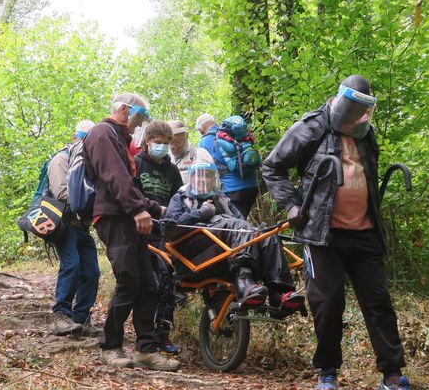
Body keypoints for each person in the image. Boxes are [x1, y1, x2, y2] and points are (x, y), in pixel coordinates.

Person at [262, 75, 424, 390]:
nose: (358, 117)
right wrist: (292, 204)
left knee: (378, 302)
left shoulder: (366, 133)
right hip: (323, 234)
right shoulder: (310, 127)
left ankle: (392, 379)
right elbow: (272, 167)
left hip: (364, 231)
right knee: (329, 301)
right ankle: (327, 370)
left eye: (364, 111)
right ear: (341, 102)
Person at [83, 93, 180, 371]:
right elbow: (114, 176)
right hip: (115, 217)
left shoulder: (120, 139)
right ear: (125, 110)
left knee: (148, 284)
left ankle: (146, 350)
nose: (140, 125)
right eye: (139, 118)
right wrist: (138, 210)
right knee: (129, 279)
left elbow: (131, 184)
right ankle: (110, 345)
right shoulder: (103, 133)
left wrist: (155, 208)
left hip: (128, 214)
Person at [165, 162, 304, 317]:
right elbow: (170, 229)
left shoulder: (223, 200)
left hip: (224, 255)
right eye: (199, 175)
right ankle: (244, 283)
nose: (203, 179)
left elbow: (246, 229)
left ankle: (279, 293)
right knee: (236, 225)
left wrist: (260, 234)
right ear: (191, 178)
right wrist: (202, 213)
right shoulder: (180, 198)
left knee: (267, 234)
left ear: (214, 179)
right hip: (192, 257)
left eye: (208, 175)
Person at [47, 120, 101, 337]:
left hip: (82, 226)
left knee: (92, 271)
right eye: (82, 137)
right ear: (74, 137)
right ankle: (61, 315)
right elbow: (61, 193)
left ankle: (82, 317)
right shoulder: (61, 159)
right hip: (65, 223)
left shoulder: (92, 163)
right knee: (72, 265)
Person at [133, 120, 183, 354]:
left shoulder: (172, 170)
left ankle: (162, 333)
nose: (162, 147)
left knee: (166, 281)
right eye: (157, 142)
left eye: (166, 143)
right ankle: (140, 333)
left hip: (165, 233)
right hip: (141, 232)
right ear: (147, 142)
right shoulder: (136, 164)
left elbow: (179, 198)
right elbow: (130, 196)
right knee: (142, 283)